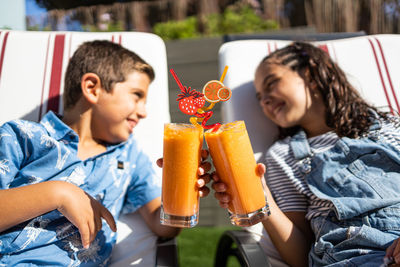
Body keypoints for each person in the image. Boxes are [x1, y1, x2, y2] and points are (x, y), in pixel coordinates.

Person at [0, 40, 210, 266]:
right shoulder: (22, 137)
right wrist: (58, 194)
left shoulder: (129, 158)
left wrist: (184, 190)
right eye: (136, 95)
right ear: (92, 88)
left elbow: (163, 226)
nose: (144, 112)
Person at [212, 42, 400, 267]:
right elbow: (300, 257)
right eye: (259, 98)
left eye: (272, 83)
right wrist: (262, 199)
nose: (264, 101)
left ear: (310, 74)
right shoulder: (283, 156)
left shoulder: (391, 127)